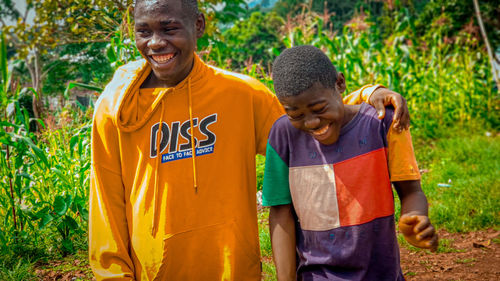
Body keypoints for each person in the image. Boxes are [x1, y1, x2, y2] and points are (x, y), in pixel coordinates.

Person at [89, 0, 411, 280]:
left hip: (234, 270)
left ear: (198, 25)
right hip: (152, 272)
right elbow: (106, 201)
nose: (156, 42)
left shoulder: (240, 95)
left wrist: (369, 94)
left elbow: (306, 117)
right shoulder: (116, 108)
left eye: (169, 28)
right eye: (143, 31)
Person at [262, 45, 439, 281]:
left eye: (319, 109)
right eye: (296, 115)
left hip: (382, 274)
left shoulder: (382, 122)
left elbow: (412, 191)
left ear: (340, 83)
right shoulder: (283, 135)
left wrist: (415, 216)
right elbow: (280, 212)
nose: (312, 122)